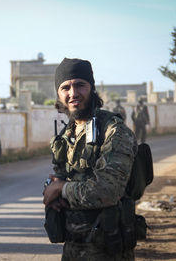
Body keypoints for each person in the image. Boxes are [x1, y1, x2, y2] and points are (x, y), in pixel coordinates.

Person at [43, 58, 137, 260]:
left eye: (80, 85)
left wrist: (62, 190)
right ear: (58, 94)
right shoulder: (67, 134)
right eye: (65, 87)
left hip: (107, 252)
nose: (73, 93)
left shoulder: (114, 131)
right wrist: (54, 193)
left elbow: (108, 190)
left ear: (92, 88)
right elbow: (60, 179)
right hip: (73, 248)